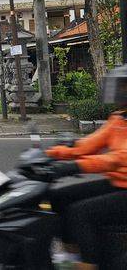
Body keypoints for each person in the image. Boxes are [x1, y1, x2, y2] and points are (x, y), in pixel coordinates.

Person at [44, 64, 127, 269]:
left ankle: (88, 264)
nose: (119, 92)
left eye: (124, 87)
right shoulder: (118, 119)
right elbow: (89, 144)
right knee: (58, 196)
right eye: (119, 87)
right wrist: (50, 154)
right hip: (117, 183)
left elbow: (117, 159)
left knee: (80, 213)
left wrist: (75, 167)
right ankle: (72, 253)